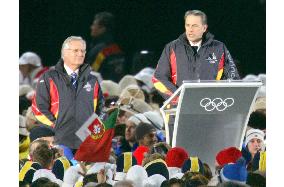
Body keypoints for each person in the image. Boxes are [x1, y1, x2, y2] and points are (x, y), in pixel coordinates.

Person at [32, 36, 104, 152]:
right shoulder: (48, 78)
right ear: (64, 53)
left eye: (83, 51)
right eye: (76, 50)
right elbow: (38, 109)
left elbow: (99, 109)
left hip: (84, 142)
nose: (80, 54)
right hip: (57, 140)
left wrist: (85, 132)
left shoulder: (93, 81)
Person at [152, 10, 240, 102]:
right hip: (180, 107)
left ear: (204, 28)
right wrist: (178, 97)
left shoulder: (219, 48)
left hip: (210, 107)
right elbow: (158, 78)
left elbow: (233, 78)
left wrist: (219, 98)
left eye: (195, 26)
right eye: (187, 25)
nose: (190, 29)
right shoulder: (172, 48)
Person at [85, 11, 126, 82]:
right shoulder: (117, 49)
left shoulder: (100, 52)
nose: (91, 27)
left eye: (94, 25)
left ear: (102, 29)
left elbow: (91, 74)